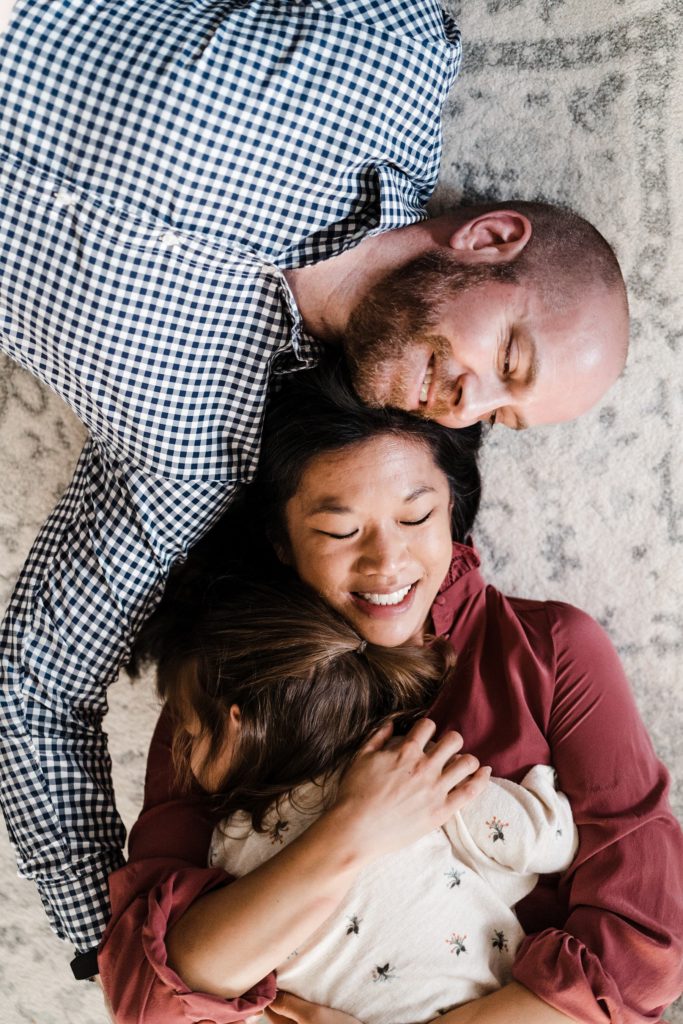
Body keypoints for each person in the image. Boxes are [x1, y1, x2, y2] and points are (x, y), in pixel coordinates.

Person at [0, 0, 631, 980]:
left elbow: (34, 686)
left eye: (499, 416)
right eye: (507, 353)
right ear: (491, 237)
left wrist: (106, 942)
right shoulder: (393, 53)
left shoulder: (207, 462)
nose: (467, 405)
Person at [99, 361, 683, 1024]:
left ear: (453, 512)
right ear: (281, 543)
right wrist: (353, 831)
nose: (386, 565)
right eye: (339, 532)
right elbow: (150, 998)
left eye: (415, 518)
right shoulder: (222, 686)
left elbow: (642, 954)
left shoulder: (552, 649)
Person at [122, 576, 579, 1024]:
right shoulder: (405, 775)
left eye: (190, 732)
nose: (179, 750)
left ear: (237, 723)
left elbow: (243, 998)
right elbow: (547, 843)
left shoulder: (226, 847)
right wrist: (542, 787)